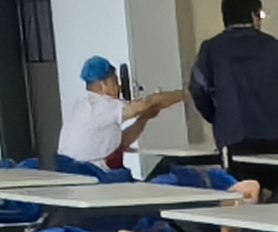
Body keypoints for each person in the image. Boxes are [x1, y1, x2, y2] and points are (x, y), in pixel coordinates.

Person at [188, 0, 278, 160]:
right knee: (276, 175)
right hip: (274, 131)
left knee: (238, 177)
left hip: (232, 132)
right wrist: (276, 104)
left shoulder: (211, 49)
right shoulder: (273, 46)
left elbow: (198, 89)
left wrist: (219, 115)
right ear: (253, 15)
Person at [54, 56, 184, 175]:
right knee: (171, 172)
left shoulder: (82, 107)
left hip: (73, 174)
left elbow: (122, 141)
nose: (119, 87)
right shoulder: (102, 104)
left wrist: (144, 118)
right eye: (115, 82)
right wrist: (184, 94)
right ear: (103, 84)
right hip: (93, 176)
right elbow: (144, 104)